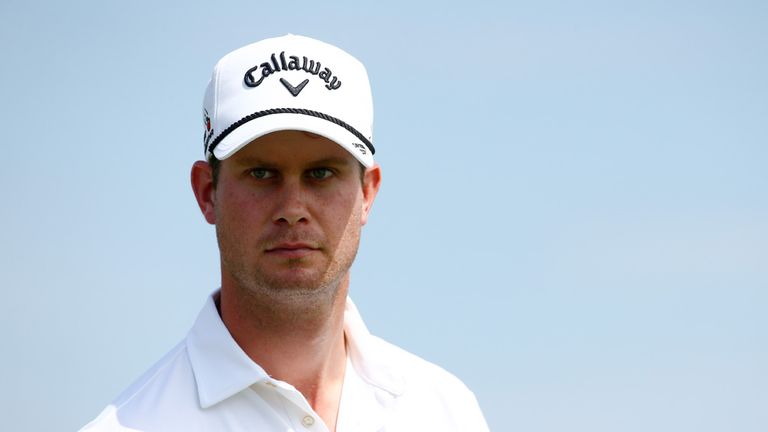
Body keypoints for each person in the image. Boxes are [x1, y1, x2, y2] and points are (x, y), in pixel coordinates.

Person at [81, 34, 489, 432]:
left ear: (367, 193)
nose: (292, 209)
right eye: (261, 173)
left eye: (321, 173)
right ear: (208, 192)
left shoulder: (444, 411)